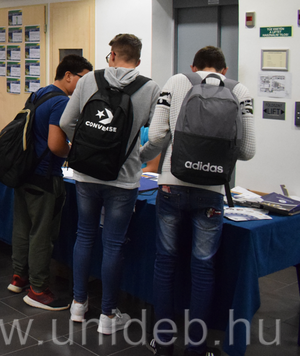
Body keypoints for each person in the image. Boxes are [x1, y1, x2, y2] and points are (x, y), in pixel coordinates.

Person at [147, 46, 256, 356]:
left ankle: (162, 342)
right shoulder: (240, 91)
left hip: (171, 184)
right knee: (203, 268)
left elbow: (156, 136)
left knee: (165, 263)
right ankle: (196, 347)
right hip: (211, 190)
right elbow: (247, 151)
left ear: (194, 67)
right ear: (224, 70)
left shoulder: (176, 81)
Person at [59, 34, 161, 334]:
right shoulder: (150, 88)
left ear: (112, 55)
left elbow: (66, 122)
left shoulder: (89, 80)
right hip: (123, 179)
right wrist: (139, 157)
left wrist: (85, 147)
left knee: (84, 235)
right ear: (138, 60)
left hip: (86, 175)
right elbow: (159, 135)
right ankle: (108, 316)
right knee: (113, 244)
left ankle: (78, 304)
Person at [8, 54, 92, 310]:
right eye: (83, 79)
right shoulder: (62, 102)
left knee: (23, 228)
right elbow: (56, 145)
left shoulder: (39, 93)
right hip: (45, 177)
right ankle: (38, 289)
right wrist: (76, 152)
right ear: (68, 75)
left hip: (24, 172)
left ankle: (19, 277)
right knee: (42, 234)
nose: (85, 85)